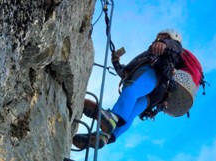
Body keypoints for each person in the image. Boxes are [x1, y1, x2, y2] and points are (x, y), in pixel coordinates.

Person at [73, 29, 202, 150]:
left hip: (153, 74)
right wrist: (116, 62)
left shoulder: (169, 47)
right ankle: (107, 137)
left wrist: (164, 44)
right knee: (132, 112)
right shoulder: (162, 51)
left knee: (132, 89)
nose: (159, 39)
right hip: (157, 96)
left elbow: (175, 47)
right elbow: (125, 72)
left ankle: (112, 117)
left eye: (163, 37)